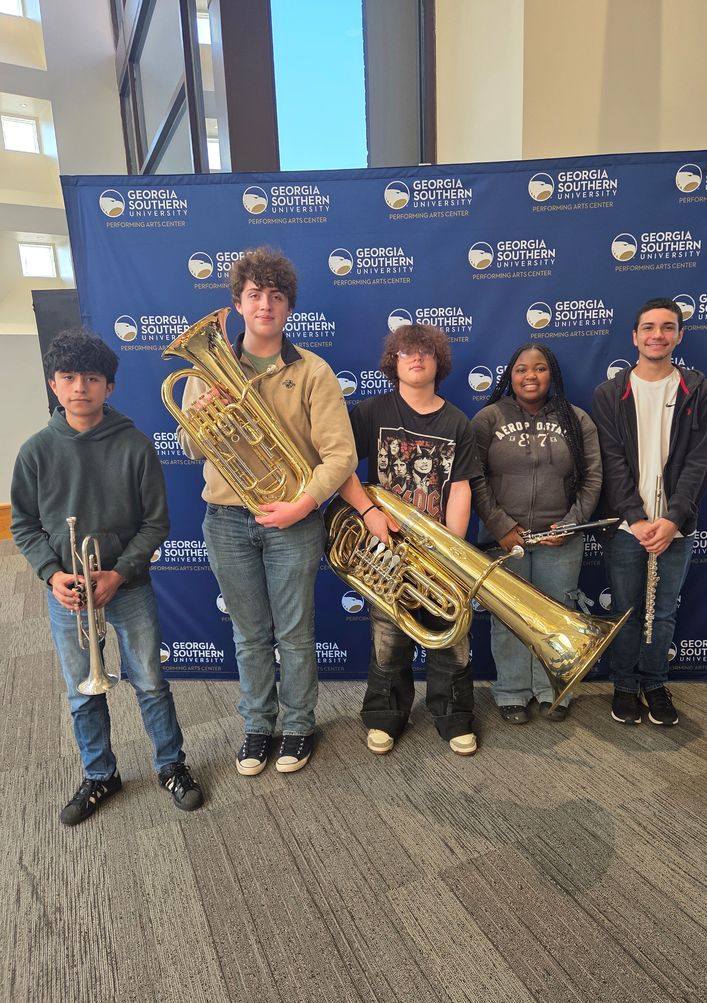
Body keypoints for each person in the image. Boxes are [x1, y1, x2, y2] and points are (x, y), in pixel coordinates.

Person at [11, 329, 203, 825]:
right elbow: (24, 526)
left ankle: (170, 764)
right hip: (68, 594)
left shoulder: (135, 444)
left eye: (92, 378)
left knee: (150, 680)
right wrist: (52, 575)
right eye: (69, 378)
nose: (80, 387)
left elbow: (156, 523)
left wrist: (119, 572)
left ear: (109, 387)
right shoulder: (35, 452)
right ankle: (100, 773)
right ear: (54, 385)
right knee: (82, 688)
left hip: (126, 585)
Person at [179, 248, 357, 775]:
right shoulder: (203, 369)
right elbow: (191, 450)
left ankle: (298, 726)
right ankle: (258, 726)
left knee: (295, 633)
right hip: (227, 519)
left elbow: (340, 455)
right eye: (254, 295)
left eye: (275, 296)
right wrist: (201, 413)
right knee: (248, 632)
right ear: (237, 304)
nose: (265, 304)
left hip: (294, 520)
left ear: (288, 308)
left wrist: (302, 503)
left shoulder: (312, 371)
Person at [338, 323, 481, 756]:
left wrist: (449, 551)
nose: (415, 358)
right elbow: (339, 465)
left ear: (439, 360)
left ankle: (453, 717)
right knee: (388, 637)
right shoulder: (371, 412)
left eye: (425, 351)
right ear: (393, 362)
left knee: (451, 638)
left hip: (438, 552)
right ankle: (385, 716)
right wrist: (368, 512)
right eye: (405, 352)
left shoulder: (457, 421)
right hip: (384, 548)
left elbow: (460, 487)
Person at [592, 297, 707, 726]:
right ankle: (625, 685)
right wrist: (639, 518)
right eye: (649, 327)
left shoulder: (699, 390)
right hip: (628, 526)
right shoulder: (610, 393)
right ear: (635, 336)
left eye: (667, 327)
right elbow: (611, 462)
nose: (657, 335)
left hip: (676, 528)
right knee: (626, 611)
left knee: (662, 613)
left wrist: (672, 519)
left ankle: (655, 683)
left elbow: (700, 462)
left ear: (679, 335)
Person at [471, 344, 602, 722]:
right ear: (509, 376)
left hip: (560, 537)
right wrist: (501, 526)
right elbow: (475, 478)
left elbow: (593, 477)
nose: (531, 376)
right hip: (503, 539)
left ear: (552, 374)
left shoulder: (576, 420)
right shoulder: (488, 418)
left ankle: (553, 690)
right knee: (509, 617)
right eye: (522, 369)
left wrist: (572, 522)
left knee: (557, 618)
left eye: (540, 368)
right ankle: (511, 691)